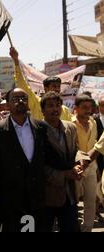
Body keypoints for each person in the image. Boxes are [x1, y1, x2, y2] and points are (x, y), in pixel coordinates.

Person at [0, 88, 50, 232]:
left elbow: (49, 156)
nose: (20, 101)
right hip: (9, 197)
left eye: (23, 98)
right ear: (7, 105)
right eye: (15, 98)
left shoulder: (41, 127)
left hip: (36, 195)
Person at [41, 92, 82, 232]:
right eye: (51, 106)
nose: (55, 109)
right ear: (43, 110)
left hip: (69, 192)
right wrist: (63, 174)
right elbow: (36, 165)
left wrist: (79, 164)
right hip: (47, 194)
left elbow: (76, 151)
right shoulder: (37, 131)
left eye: (58, 105)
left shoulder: (70, 127)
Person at [10, 47, 72, 121]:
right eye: (54, 86)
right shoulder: (37, 103)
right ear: (46, 88)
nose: (57, 89)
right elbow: (23, 85)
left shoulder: (65, 110)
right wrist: (16, 61)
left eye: (58, 86)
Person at [72, 94, 98, 232]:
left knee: (90, 200)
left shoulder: (93, 122)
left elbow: (96, 144)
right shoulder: (70, 125)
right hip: (77, 167)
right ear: (76, 109)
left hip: (92, 166)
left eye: (90, 108)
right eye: (84, 108)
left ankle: (87, 228)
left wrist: (94, 166)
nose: (88, 110)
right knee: (74, 200)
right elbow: (72, 147)